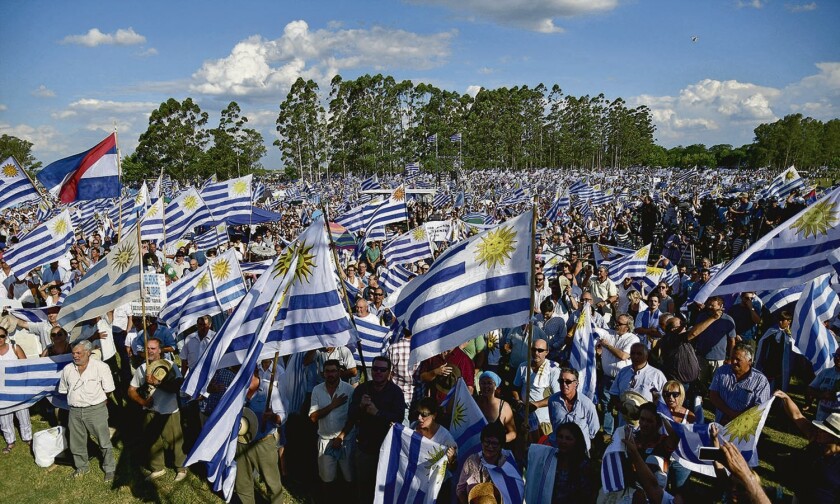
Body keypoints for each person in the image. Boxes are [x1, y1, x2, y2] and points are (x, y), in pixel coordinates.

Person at [342, 355, 405, 503]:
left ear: (389, 372)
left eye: (382, 369)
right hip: (364, 447)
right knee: (363, 486)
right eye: (375, 368)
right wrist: (360, 407)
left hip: (387, 448)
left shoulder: (396, 392)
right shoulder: (362, 389)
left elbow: (398, 418)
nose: (378, 372)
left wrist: (377, 413)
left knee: (383, 487)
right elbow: (351, 415)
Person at [127, 337, 187, 482]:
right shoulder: (142, 368)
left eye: (153, 348)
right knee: (152, 441)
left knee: (175, 442)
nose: (150, 351)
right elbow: (131, 390)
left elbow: (177, 387)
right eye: (147, 348)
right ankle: (157, 468)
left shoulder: (171, 365)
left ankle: (181, 468)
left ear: (160, 350)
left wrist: (157, 383)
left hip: (169, 410)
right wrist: (143, 401)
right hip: (151, 410)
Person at [58, 340, 116, 480]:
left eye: (79, 353)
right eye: (73, 353)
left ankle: (109, 469)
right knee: (76, 442)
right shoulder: (67, 369)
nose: (75, 356)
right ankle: (82, 467)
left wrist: (98, 402)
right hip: (75, 411)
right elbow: (64, 390)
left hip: (96, 410)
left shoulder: (101, 367)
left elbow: (108, 390)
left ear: (88, 353)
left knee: (103, 441)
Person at [773, 391, 840, 503]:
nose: (819, 430)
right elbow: (797, 416)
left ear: (835, 438)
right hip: (799, 498)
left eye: (824, 431)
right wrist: (786, 398)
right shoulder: (815, 439)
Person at [235, 365, 285, 504]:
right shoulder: (237, 390)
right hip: (241, 442)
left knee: (272, 483)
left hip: (263, 442)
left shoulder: (269, 390)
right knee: (242, 483)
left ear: (255, 372)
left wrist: (273, 417)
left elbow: (282, 415)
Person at [309, 359, 355, 498]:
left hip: (345, 439)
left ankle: (348, 499)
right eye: (327, 371)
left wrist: (341, 436)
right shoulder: (317, 390)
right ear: (323, 373)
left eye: (334, 371)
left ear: (340, 372)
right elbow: (313, 417)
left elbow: (353, 417)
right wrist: (332, 406)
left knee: (349, 477)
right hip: (325, 440)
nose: (331, 374)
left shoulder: (348, 389)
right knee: (327, 479)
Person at [597, 313, 639, 437]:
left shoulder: (633, 339)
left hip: (623, 379)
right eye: (616, 322)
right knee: (606, 404)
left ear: (628, 326)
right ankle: (608, 432)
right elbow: (595, 330)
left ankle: (623, 432)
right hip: (608, 377)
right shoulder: (610, 333)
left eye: (620, 323)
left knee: (624, 406)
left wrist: (607, 346)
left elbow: (623, 356)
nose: (616, 324)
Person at [513, 338, 561, 442]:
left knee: (541, 448)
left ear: (546, 352)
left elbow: (558, 396)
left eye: (540, 350)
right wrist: (517, 401)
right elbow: (515, 388)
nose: (536, 353)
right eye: (534, 349)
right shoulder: (523, 366)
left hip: (543, 420)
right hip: (524, 418)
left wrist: (536, 405)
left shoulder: (553, 369)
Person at [709, 344, 771, 424]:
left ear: (750, 361)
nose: (733, 362)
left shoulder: (761, 381)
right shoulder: (722, 371)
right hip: (721, 422)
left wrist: (738, 417)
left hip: (745, 426)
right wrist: (730, 413)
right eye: (732, 358)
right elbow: (713, 395)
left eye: (738, 359)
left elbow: (760, 408)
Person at [457, 422, 517, 504]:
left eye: (494, 443)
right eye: (487, 442)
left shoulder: (507, 463)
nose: (490, 446)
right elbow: (460, 489)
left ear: (501, 445)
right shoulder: (471, 462)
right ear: (482, 442)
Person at [610, 343, 666, 428]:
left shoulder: (656, 375)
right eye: (633, 353)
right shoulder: (623, 372)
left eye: (639, 354)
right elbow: (614, 393)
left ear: (646, 356)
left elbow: (663, 401)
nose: (635, 356)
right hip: (624, 423)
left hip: (647, 427)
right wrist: (622, 407)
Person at [685, 296, 737, 383]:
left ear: (721, 306)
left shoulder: (728, 320)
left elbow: (732, 341)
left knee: (717, 382)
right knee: (700, 382)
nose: (709, 307)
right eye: (708, 305)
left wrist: (731, 359)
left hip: (718, 359)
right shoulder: (701, 317)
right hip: (701, 357)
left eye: (713, 305)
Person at [547, 368, 599, 450]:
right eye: (561, 381)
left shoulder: (587, 404)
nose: (564, 384)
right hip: (557, 448)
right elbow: (553, 422)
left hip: (579, 451)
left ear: (576, 383)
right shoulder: (552, 401)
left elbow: (593, 430)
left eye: (568, 382)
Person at [0, 326, 32, 454]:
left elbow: (26, 365)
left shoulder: (14, 348)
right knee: (4, 416)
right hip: (1, 390)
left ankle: (28, 437)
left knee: (23, 413)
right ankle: (10, 441)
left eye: (2, 336)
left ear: (6, 336)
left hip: (17, 387)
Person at [659, 380, 695, 489]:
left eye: (675, 394)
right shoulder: (658, 412)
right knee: (660, 491)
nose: (670, 397)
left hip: (682, 460)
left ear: (681, 395)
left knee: (679, 492)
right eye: (667, 394)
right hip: (661, 457)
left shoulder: (690, 416)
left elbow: (691, 441)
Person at [754, 310, 794, 392]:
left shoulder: (791, 333)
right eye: (779, 319)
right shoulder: (772, 330)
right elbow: (763, 345)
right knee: (768, 385)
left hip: (783, 364)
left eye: (783, 320)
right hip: (770, 363)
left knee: (781, 383)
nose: (780, 322)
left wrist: (789, 335)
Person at [475, 371, 516, 444]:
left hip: (495, 450)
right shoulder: (473, 402)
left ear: (495, 386)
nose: (486, 386)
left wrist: (497, 441)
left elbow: (513, 433)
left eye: (489, 383)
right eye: (483, 383)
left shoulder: (504, 406)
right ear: (479, 385)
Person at [807, 347, 840, 422]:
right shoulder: (825, 372)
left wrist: (836, 396)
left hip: (837, 423)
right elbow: (810, 389)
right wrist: (822, 395)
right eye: (836, 355)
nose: (838, 358)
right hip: (821, 419)